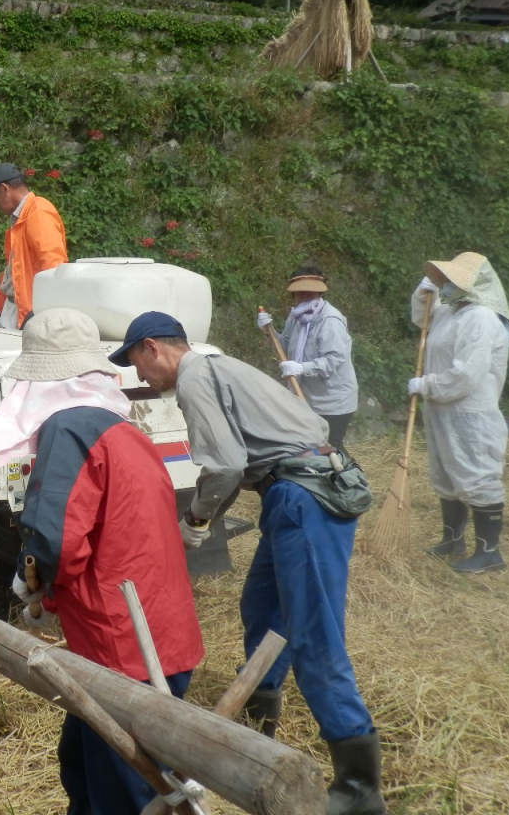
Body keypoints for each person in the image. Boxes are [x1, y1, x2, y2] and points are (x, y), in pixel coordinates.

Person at [114, 312, 384, 815]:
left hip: (303, 498)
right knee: (262, 607)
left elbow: (226, 465)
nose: (141, 377)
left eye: (137, 364)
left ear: (153, 347)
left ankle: (358, 784)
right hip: (294, 491)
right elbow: (268, 444)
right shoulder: (222, 366)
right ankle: (259, 722)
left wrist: (195, 519)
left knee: (313, 636)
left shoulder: (196, 379)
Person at [0, 309, 203, 815]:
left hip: (122, 645)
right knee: (79, 759)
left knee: (127, 791)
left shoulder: (69, 430)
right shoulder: (121, 428)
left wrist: (34, 580)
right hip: (160, 629)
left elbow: (56, 539)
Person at [410, 253, 509, 573]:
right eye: (445, 281)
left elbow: (467, 374)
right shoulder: (452, 312)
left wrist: (427, 384)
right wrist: (422, 292)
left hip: (471, 413)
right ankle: (452, 540)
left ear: (473, 286)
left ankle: (490, 552)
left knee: (477, 475)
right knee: (446, 474)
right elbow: (423, 319)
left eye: (451, 282)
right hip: (443, 410)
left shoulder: (481, 318)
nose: (446, 286)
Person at [257, 266, 359, 448]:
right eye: (299, 292)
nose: (304, 295)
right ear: (293, 295)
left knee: (330, 448)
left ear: (320, 292)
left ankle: (350, 477)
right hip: (305, 397)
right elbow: (286, 347)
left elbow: (334, 360)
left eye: (309, 291)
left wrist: (302, 368)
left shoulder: (330, 320)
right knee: (310, 448)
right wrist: (269, 331)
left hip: (333, 401)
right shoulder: (295, 316)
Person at [0, 162, 67, 330]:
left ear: (5, 189)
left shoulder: (38, 210)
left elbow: (54, 266)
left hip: (30, 313)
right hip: (17, 308)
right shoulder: (22, 216)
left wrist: (40, 315)